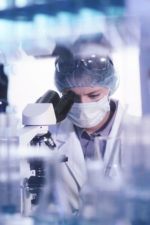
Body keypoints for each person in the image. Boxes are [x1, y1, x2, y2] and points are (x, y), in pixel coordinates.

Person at [47, 33, 126, 212]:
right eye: (72, 96)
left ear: (110, 86)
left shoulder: (140, 132)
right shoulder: (48, 134)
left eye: (94, 95)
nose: (83, 104)